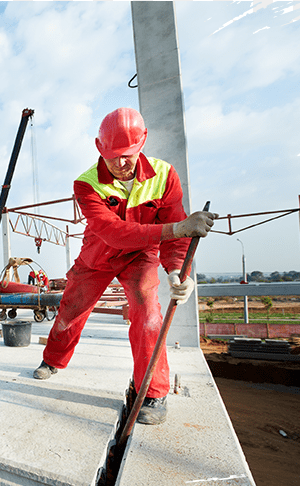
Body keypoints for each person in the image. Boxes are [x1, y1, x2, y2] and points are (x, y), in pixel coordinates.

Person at [32, 107, 218, 425]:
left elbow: (176, 235)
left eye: (129, 155)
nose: (121, 164)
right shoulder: (86, 184)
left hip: (141, 256)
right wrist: (177, 229)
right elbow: (113, 233)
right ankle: (53, 360)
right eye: (114, 156)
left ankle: (153, 392)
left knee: (148, 316)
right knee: (70, 311)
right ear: (99, 148)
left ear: (143, 142)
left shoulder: (164, 176)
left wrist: (176, 271)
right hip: (98, 257)